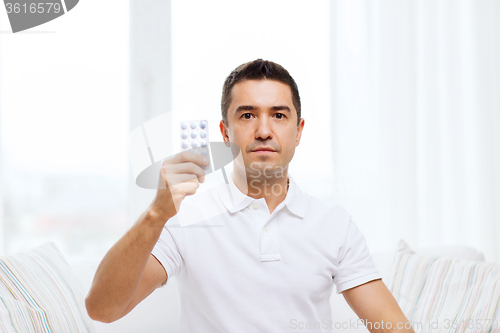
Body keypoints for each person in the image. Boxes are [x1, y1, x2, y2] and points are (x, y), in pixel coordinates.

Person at [86, 59, 415, 333]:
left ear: (298, 131)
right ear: (225, 132)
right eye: (247, 115)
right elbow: (103, 309)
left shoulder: (334, 225)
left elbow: (393, 328)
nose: (263, 130)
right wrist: (156, 214)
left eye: (278, 115)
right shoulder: (185, 216)